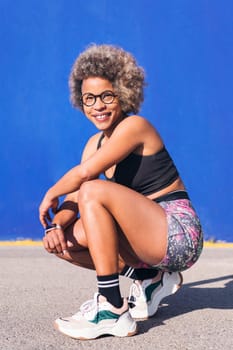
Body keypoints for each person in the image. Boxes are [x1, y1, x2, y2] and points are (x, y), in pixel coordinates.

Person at [39, 44, 203, 340]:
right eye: (89, 98)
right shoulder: (94, 144)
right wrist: (56, 225)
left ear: (124, 93)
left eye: (106, 95)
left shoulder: (135, 126)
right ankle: (148, 277)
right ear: (81, 101)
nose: (97, 105)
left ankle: (112, 308)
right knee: (65, 241)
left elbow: (85, 178)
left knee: (93, 189)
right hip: (145, 242)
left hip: (178, 233)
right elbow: (75, 197)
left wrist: (51, 192)